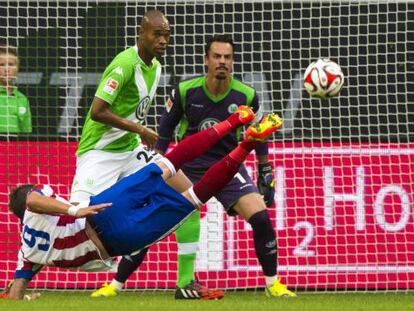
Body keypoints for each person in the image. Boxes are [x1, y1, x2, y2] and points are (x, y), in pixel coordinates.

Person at [5, 108, 282, 300]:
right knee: (169, 164)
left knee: (193, 197)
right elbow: (33, 199)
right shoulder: (32, 205)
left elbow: (15, 292)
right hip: (101, 212)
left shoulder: (27, 253)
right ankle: (235, 121)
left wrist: (23, 296)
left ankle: (245, 144)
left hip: (118, 239)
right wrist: (73, 209)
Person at [99, 34, 296, 298]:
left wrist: (265, 169)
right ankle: (115, 285)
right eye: (217, 56)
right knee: (152, 221)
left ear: (233, 62)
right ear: (206, 60)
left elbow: (259, 132)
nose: (222, 62)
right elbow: (165, 131)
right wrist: (155, 167)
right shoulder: (185, 90)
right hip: (187, 168)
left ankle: (274, 285)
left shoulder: (246, 95)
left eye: (227, 57)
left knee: (261, 218)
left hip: (229, 166)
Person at [69, 10, 216, 299]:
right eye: (156, 34)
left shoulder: (157, 67)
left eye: (166, 35)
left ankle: (186, 283)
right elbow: (97, 112)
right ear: (141, 33)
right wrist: (142, 129)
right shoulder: (124, 64)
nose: (163, 40)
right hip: (98, 153)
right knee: (71, 220)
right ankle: (23, 277)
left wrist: (139, 137)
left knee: (189, 195)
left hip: (130, 151)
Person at [0, 45, 32, 133]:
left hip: (14, 147)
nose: (7, 69)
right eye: (2, 65)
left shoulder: (23, 99)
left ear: (17, 68)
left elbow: (26, 133)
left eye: (11, 64)